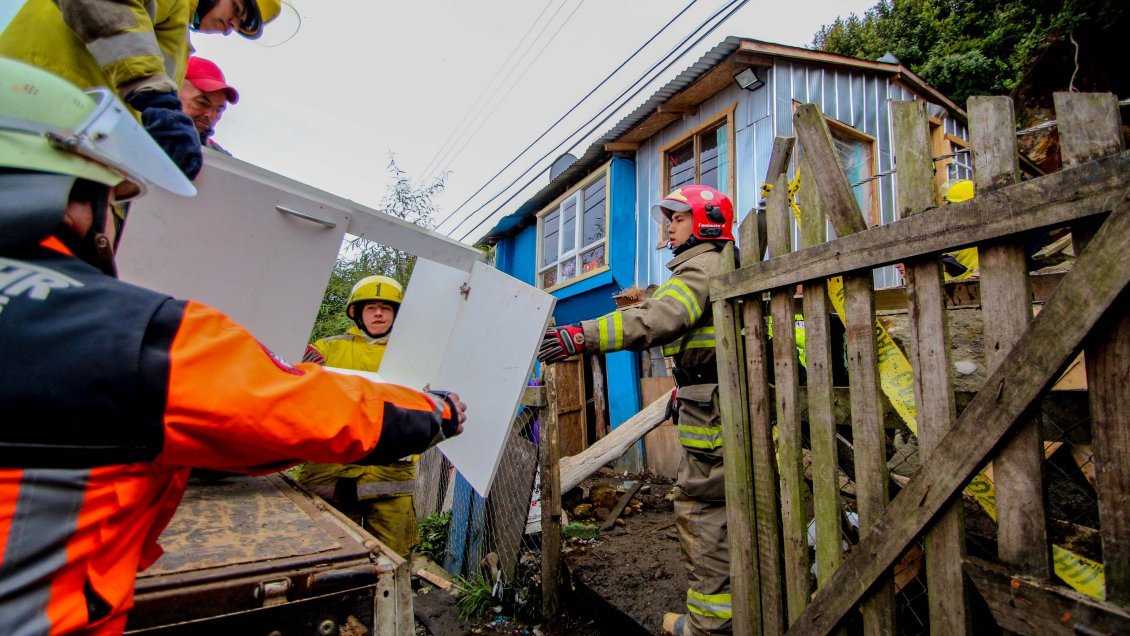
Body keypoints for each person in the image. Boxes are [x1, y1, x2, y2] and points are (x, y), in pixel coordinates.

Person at [0, 59, 466, 635]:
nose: (114, 218)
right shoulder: (139, 333)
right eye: (107, 197)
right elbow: (283, 404)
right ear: (70, 198)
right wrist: (435, 411)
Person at [539, 185, 734, 635]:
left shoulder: (700, 268)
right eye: (667, 218)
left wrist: (581, 335)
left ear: (705, 222)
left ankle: (708, 626)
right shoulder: (711, 265)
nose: (669, 226)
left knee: (701, 513)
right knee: (717, 512)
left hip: (715, 422)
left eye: (678, 217)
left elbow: (658, 317)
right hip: (714, 411)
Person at [0, 0, 284, 181]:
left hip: (58, 139)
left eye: (237, 25)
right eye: (235, 9)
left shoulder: (174, 22)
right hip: (38, 128)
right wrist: (156, 99)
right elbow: (108, 7)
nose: (230, 27)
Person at [296, 276, 423, 557]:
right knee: (331, 552)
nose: (378, 313)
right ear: (357, 313)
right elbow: (292, 372)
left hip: (389, 470)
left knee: (394, 556)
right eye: (371, 307)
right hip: (331, 470)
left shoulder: (414, 352)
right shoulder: (328, 348)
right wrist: (299, 361)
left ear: (396, 314)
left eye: (386, 308)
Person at [179, 55, 239, 155]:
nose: (210, 115)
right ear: (175, 91)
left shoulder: (220, 158)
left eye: (218, 110)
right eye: (202, 103)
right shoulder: (145, 129)